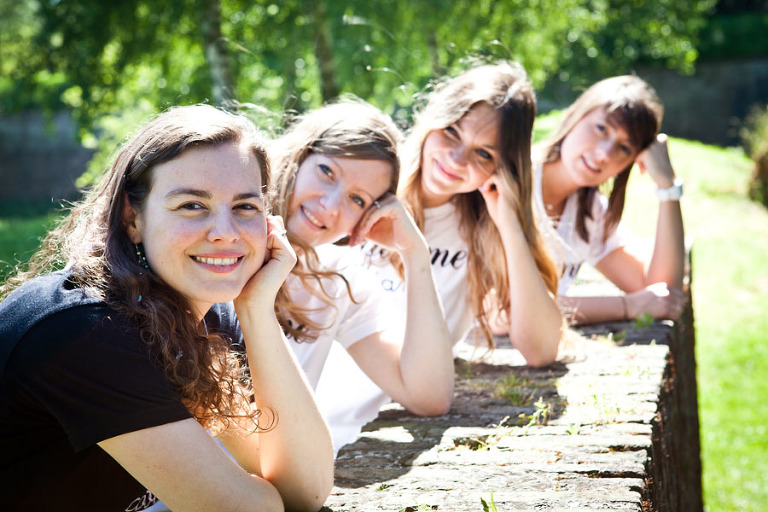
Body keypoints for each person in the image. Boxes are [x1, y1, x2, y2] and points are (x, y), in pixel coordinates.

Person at [0, 104, 333, 512]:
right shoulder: (85, 331)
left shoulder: (205, 316)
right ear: (132, 219)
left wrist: (257, 311)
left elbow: (304, 491)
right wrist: (259, 492)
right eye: (192, 205)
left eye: (245, 206)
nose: (225, 233)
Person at [313, 61, 564, 451]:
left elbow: (541, 349)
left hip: (372, 422)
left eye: (483, 153)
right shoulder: (369, 185)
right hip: (298, 398)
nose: (457, 159)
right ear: (433, 119)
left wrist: (510, 226)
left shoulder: (483, 230)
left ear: (502, 167)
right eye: (451, 132)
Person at [269, 99, 454, 451]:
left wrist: (415, 254)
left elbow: (427, 396)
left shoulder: (336, 281)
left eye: (357, 200)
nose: (330, 206)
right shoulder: (221, 242)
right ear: (300, 155)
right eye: (327, 172)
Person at [534, 75, 686, 325]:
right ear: (572, 117)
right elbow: (505, 312)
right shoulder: (508, 186)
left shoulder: (589, 211)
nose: (605, 154)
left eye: (624, 148)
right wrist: (628, 306)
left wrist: (668, 188)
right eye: (601, 129)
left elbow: (661, 292)